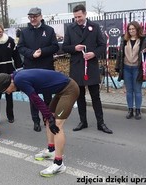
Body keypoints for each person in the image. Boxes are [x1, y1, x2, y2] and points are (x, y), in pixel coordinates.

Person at [0, 69, 79, 177]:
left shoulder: (19, 80)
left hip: (69, 89)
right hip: (60, 90)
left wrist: (48, 115)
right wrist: (48, 116)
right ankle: (51, 150)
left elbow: (36, 99)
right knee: (49, 120)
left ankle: (59, 164)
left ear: (9, 83)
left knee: (56, 125)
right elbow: (34, 100)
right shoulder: (15, 77)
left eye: (6, 90)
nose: (8, 93)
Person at [62, 4, 112, 134]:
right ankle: (83, 121)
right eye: (75, 17)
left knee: (96, 96)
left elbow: (102, 45)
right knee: (80, 96)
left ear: (85, 14)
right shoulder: (70, 28)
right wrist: (75, 48)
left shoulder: (94, 27)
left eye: (79, 16)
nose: (77, 19)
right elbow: (65, 47)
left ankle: (100, 123)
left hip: (91, 66)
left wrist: (94, 53)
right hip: (77, 67)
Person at [17, 7, 59, 132]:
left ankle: (49, 119)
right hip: (30, 69)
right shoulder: (24, 32)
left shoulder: (49, 30)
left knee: (47, 97)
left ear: (40, 16)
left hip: (46, 69)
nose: (33, 19)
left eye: (35, 16)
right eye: (30, 17)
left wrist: (42, 52)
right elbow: (20, 47)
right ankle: (36, 121)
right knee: (33, 97)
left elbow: (55, 47)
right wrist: (31, 53)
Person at [115, 21, 146, 120]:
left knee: (137, 90)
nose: (131, 31)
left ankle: (138, 110)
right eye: (129, 29)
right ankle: (130, 109)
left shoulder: (143, 40)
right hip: (126, 68)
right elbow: (120, 54)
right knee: (129, 91)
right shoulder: (124, 39)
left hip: (137, 68)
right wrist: (118, 67)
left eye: (133, 29)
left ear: (137, 29)